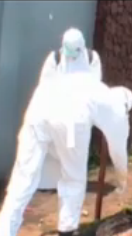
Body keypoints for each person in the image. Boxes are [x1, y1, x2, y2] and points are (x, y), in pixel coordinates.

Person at [0, 73, 132, 236]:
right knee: (73, 179)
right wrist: (122, 180)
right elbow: (118, 149)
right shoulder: (117, 106)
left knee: (23, 178)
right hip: (70, 121)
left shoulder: (92, 85)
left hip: (38, 111)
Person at [38, 27, 103, 190]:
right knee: (52, 150)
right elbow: (45, 86)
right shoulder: (54, 58)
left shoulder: (91, 58)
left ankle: (72, 184)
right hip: (57, 111)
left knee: (74, 151)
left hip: (79, 115)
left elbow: (94, 86)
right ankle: (49, 184)